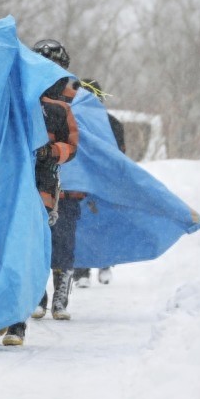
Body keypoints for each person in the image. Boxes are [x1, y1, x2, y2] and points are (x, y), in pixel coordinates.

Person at [0, 39, 80, 347]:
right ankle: (6, 310)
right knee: (6, 252)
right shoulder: (13, 102)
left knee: (27, 252)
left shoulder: (60, 110)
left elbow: (71, 146)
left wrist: (50, 151)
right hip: (7, 188)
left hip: (41, 189)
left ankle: (17, 321)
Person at [72, 78, 125, 287]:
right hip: (89, 181)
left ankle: (96, 267)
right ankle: (88, 268)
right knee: (89, 223)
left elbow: (120, 156)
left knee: (90, 223)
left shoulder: (111, 124)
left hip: (97, 181)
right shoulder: (73, 121)